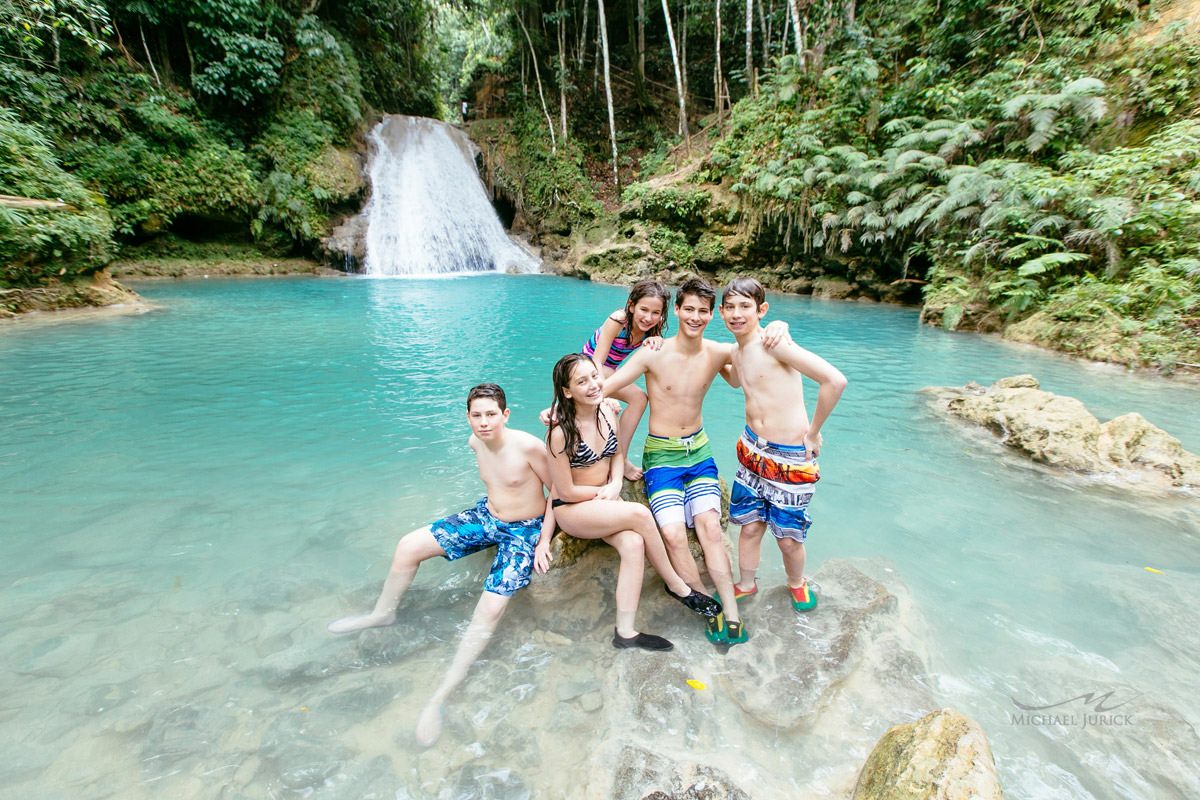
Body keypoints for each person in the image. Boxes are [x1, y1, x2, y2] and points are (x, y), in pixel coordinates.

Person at [326, 383, 553, 747]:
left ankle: (440, 697)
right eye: (476, 415)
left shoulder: (528, 446)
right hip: (487, 516)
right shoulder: (474, 441)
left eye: (491, 414)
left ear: (505, 415)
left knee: (490, 608)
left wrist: (544, 540)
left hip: (524, 530)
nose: (483, 423)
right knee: (407, 546)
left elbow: (558, 491)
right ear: (468, 417)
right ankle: (382, 613)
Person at [602, 277, 788, 646]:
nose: (696, 317)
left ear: (711, 314)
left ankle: (731, 611)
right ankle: (707, 603)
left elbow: (747, 368)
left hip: (699, 452)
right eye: (689, 309)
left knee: (710, 528)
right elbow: (603, 386)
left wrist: (777, 327)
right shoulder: (653, 351)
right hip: (661, 455)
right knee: (672, 534)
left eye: (703, 311)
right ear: (677, 310)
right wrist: (559, 407)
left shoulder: (718, 352)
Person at [537, 353, 721, 651]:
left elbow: (618, 454)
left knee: (634, 544)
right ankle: (676, 584)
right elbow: (565, 491)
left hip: (604, 504)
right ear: (567, 392)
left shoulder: (608, 412)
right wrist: (602, 494)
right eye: (582, 381)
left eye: (594, 376)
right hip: (574, 510)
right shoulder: (560, 434)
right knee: (639, 513)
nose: (594, 385)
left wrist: (616, 482)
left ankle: (625, 632)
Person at [718, 276, 847, 613]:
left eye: (745, 306)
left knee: (788, 538)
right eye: (730, 307)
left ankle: (796, 583)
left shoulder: (775, 344)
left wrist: (813, 432)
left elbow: (834, 380)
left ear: (761, 310)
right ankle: (746, 583)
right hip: (751, 452)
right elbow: (735, 379)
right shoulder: (736, 350)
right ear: (720, 313)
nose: (736, 313)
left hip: (790, 456)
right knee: (749, 526)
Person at [579, 279, 672, 480]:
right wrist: (600, 394)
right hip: (588, 369)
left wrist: (657, 341)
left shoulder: (652, 328)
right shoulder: (618, 320)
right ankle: (618, 460)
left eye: (656, 313)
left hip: (609, 371)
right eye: (643, 310)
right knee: (635, 398)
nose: (649, 317)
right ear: (631, 306)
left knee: (640, 399)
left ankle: (620, 458)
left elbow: (650, 364)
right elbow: (597, 360)